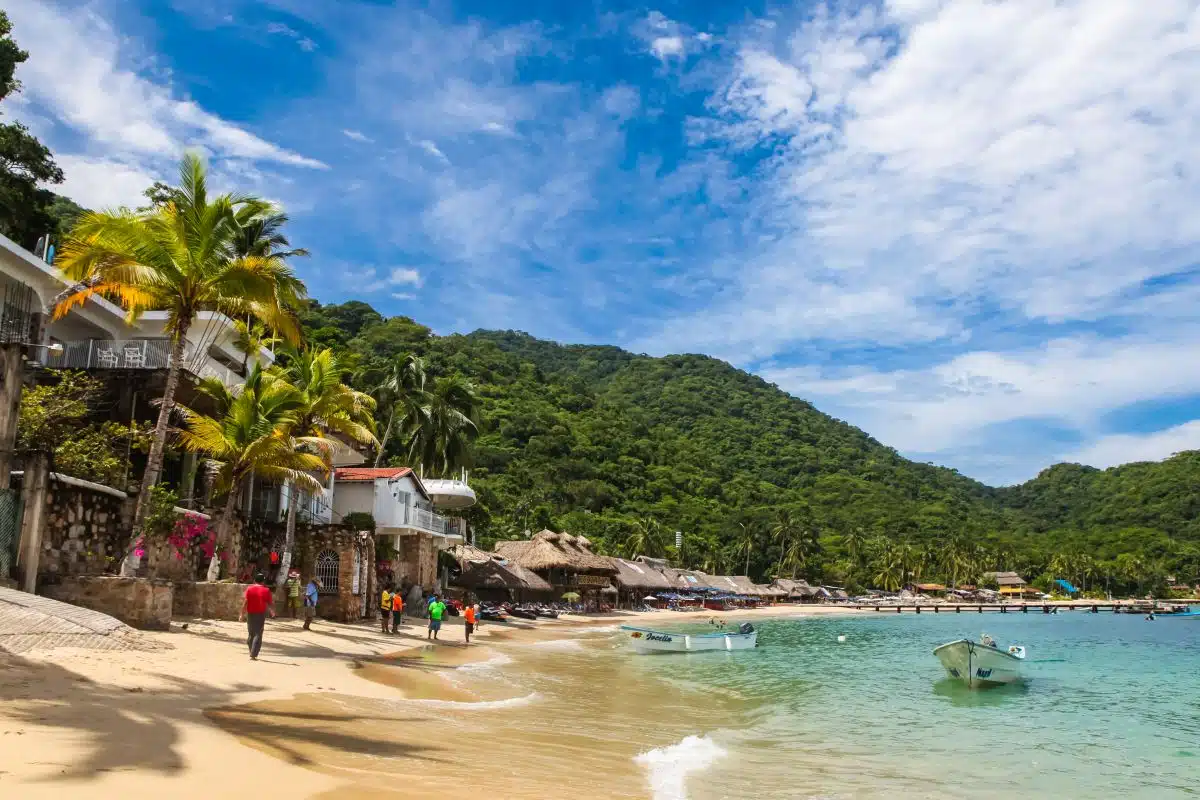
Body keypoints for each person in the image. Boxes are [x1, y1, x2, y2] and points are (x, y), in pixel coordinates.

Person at [240, 573, 275, 660]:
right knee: (258, 634)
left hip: (250, 613)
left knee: (251, 633)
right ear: (263, 581)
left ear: (254, 580)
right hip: (260, 614)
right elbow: (270, 603)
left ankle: (251, 650)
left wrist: (242, 614)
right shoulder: (266, 590)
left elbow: (245, 602)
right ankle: (253, 653)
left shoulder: (249, 589)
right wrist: (272, 611)